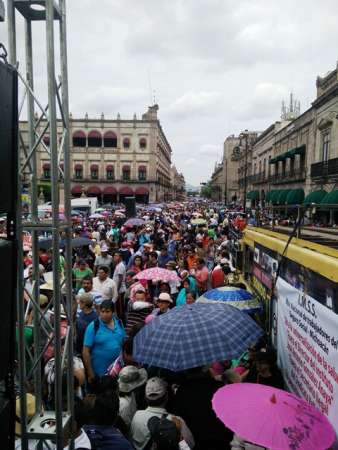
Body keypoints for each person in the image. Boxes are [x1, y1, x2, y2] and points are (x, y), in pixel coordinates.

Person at [172, 367, 232, 450]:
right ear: (205, 369)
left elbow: (180, 419)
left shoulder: (182, 391)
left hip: (196, 441)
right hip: (222, 440)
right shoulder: (219, 386)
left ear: (186, 372)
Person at [130, 377, 195, 450]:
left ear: (145, 397)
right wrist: (180, 438)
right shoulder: (176, 421)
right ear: (166, 396)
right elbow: (188, 447)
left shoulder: (137, 415)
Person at [83, 300, 125, 380]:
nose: (104, 314)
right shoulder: (93, 327)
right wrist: (91, 374)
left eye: (107, 312)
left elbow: (122, 343)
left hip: (117, 372)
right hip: (99, 375)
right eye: (102, 311)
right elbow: (85, 352)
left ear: (113, 312)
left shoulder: (119, 323)